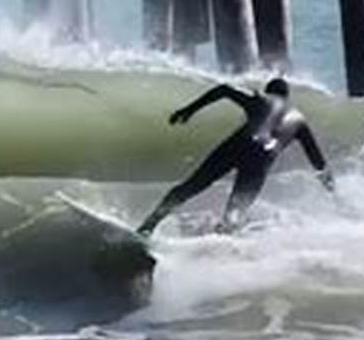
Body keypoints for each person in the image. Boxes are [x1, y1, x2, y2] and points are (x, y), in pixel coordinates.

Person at [137, 78, 334, 236]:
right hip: (263, 157)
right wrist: (329, 186)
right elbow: (317, 159)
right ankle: (219, 248)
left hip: (241, 142)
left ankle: (147, 227)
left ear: (269, 90)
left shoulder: (261, 98)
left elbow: (224, 89)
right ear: (287, 97)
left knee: (192, 186)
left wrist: (189, 110)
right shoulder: (300, 121)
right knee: (235, 212)